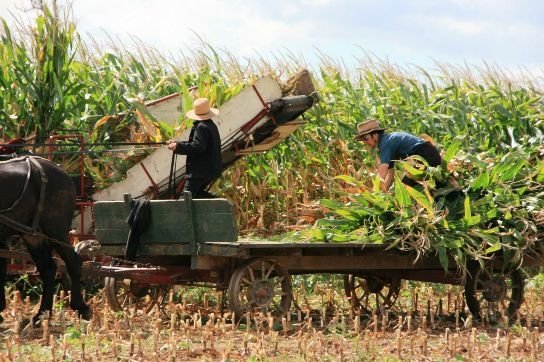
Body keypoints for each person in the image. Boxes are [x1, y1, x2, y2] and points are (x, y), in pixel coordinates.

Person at [354, 119, 441, 191]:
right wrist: (383, 192)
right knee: (406, 185)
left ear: (375, 134)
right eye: (363, 140)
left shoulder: (386, 143)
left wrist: (375, 191)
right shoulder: (386, 144)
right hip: (426, 155)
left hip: (427, 155)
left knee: (408, 185)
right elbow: (390, 175)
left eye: (366, 138)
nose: (365, 142)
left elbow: (382, 171)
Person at [167, 98, 222, 198]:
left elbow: (198, 146)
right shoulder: (210, 125)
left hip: (200, 172)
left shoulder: (201, 126)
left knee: (185, 198)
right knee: (198, 195)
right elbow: (197, 144)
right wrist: (177, 144)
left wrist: (178, 147)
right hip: (209, 170)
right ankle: (221, 205)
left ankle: (221, 205)